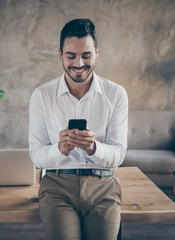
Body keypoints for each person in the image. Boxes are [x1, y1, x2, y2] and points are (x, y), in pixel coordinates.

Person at [29, 18, 128, 240]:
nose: (79, 63)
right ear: (60, 55)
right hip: (56, 186)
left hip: (103, 185)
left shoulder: (116, 94)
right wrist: (59, 149)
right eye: (71, 56)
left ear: (97, 53)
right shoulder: (41, 95)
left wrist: (94, 148)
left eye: (86, 55)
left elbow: (118, 154)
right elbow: (36, 154)